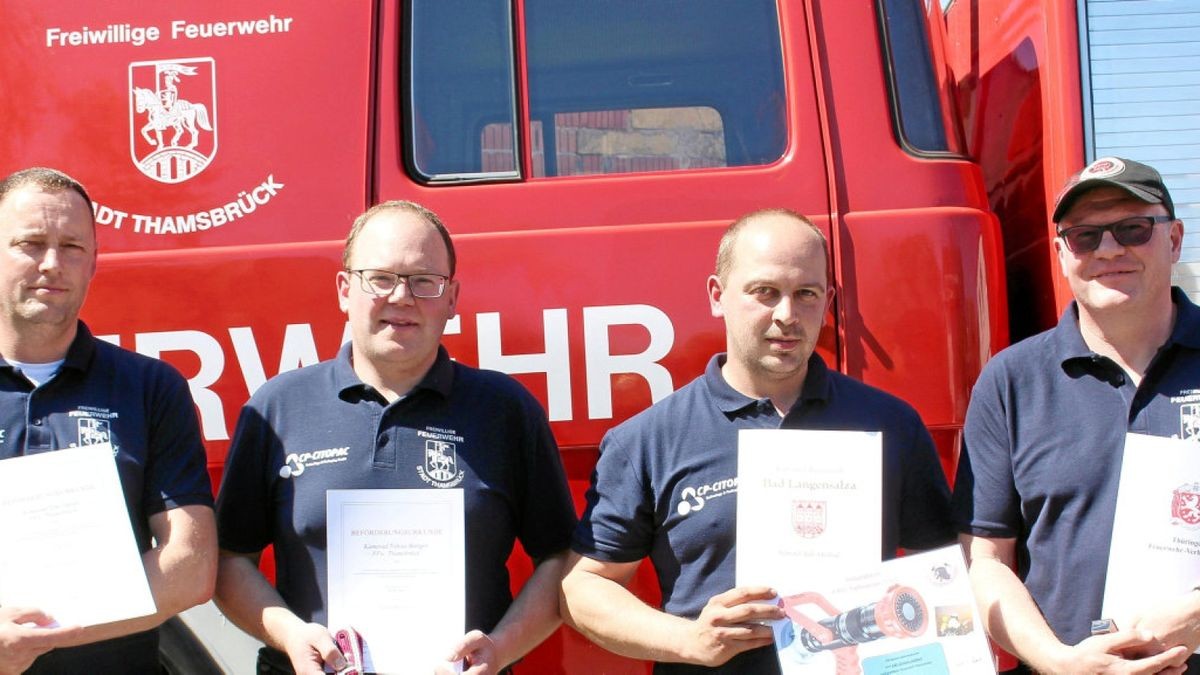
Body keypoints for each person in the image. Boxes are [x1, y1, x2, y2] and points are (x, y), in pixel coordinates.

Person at [559, 208, 955, 673]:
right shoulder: (647, 439)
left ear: (827, 301)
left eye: (805, 294)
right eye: (764, 292)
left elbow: (946, 567)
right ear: (717, 295)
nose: (787, 315)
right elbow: (582, 588)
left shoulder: (890, 424)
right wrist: (690, 640)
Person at [213, 200, 577, 674]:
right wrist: (290, 634)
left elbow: (563, 559)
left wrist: (502, 648)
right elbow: (227, 560)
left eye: (425, 281)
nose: (402, 297)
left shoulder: (505, 409)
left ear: (452, 298)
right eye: (380, 278)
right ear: (345, 289)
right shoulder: (278, 407)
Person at [952, 156, 1200, 673]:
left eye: (1133, 228)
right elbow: (986, 559)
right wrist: (1059, 661)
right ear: (1062, 253)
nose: (1109, 249)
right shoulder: (1010, 381)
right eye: (1085, 237)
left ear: (1174, 239)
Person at [0, 167, 216, 674]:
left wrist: (43, 635)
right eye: (31, 243)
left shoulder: (150, 387)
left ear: (94, 262)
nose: (52, 263)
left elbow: (190, 566)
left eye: (73, 246)